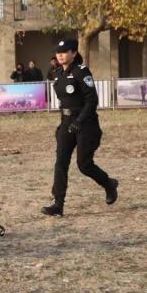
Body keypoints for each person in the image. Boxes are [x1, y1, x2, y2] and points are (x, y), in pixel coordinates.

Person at [41, 39, 118, 217]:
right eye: (58, 52)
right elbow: (64, 101)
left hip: (86, 124)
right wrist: (63, 125)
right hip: (67, 123)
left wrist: (80, 121)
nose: (60, 55)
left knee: (84, 165)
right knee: (60, 163)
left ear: (74, 53)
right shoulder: (57, 73)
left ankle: (109, 184)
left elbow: (92, 100)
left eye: (64, 51)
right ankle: (58, 204)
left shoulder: (81, 72)